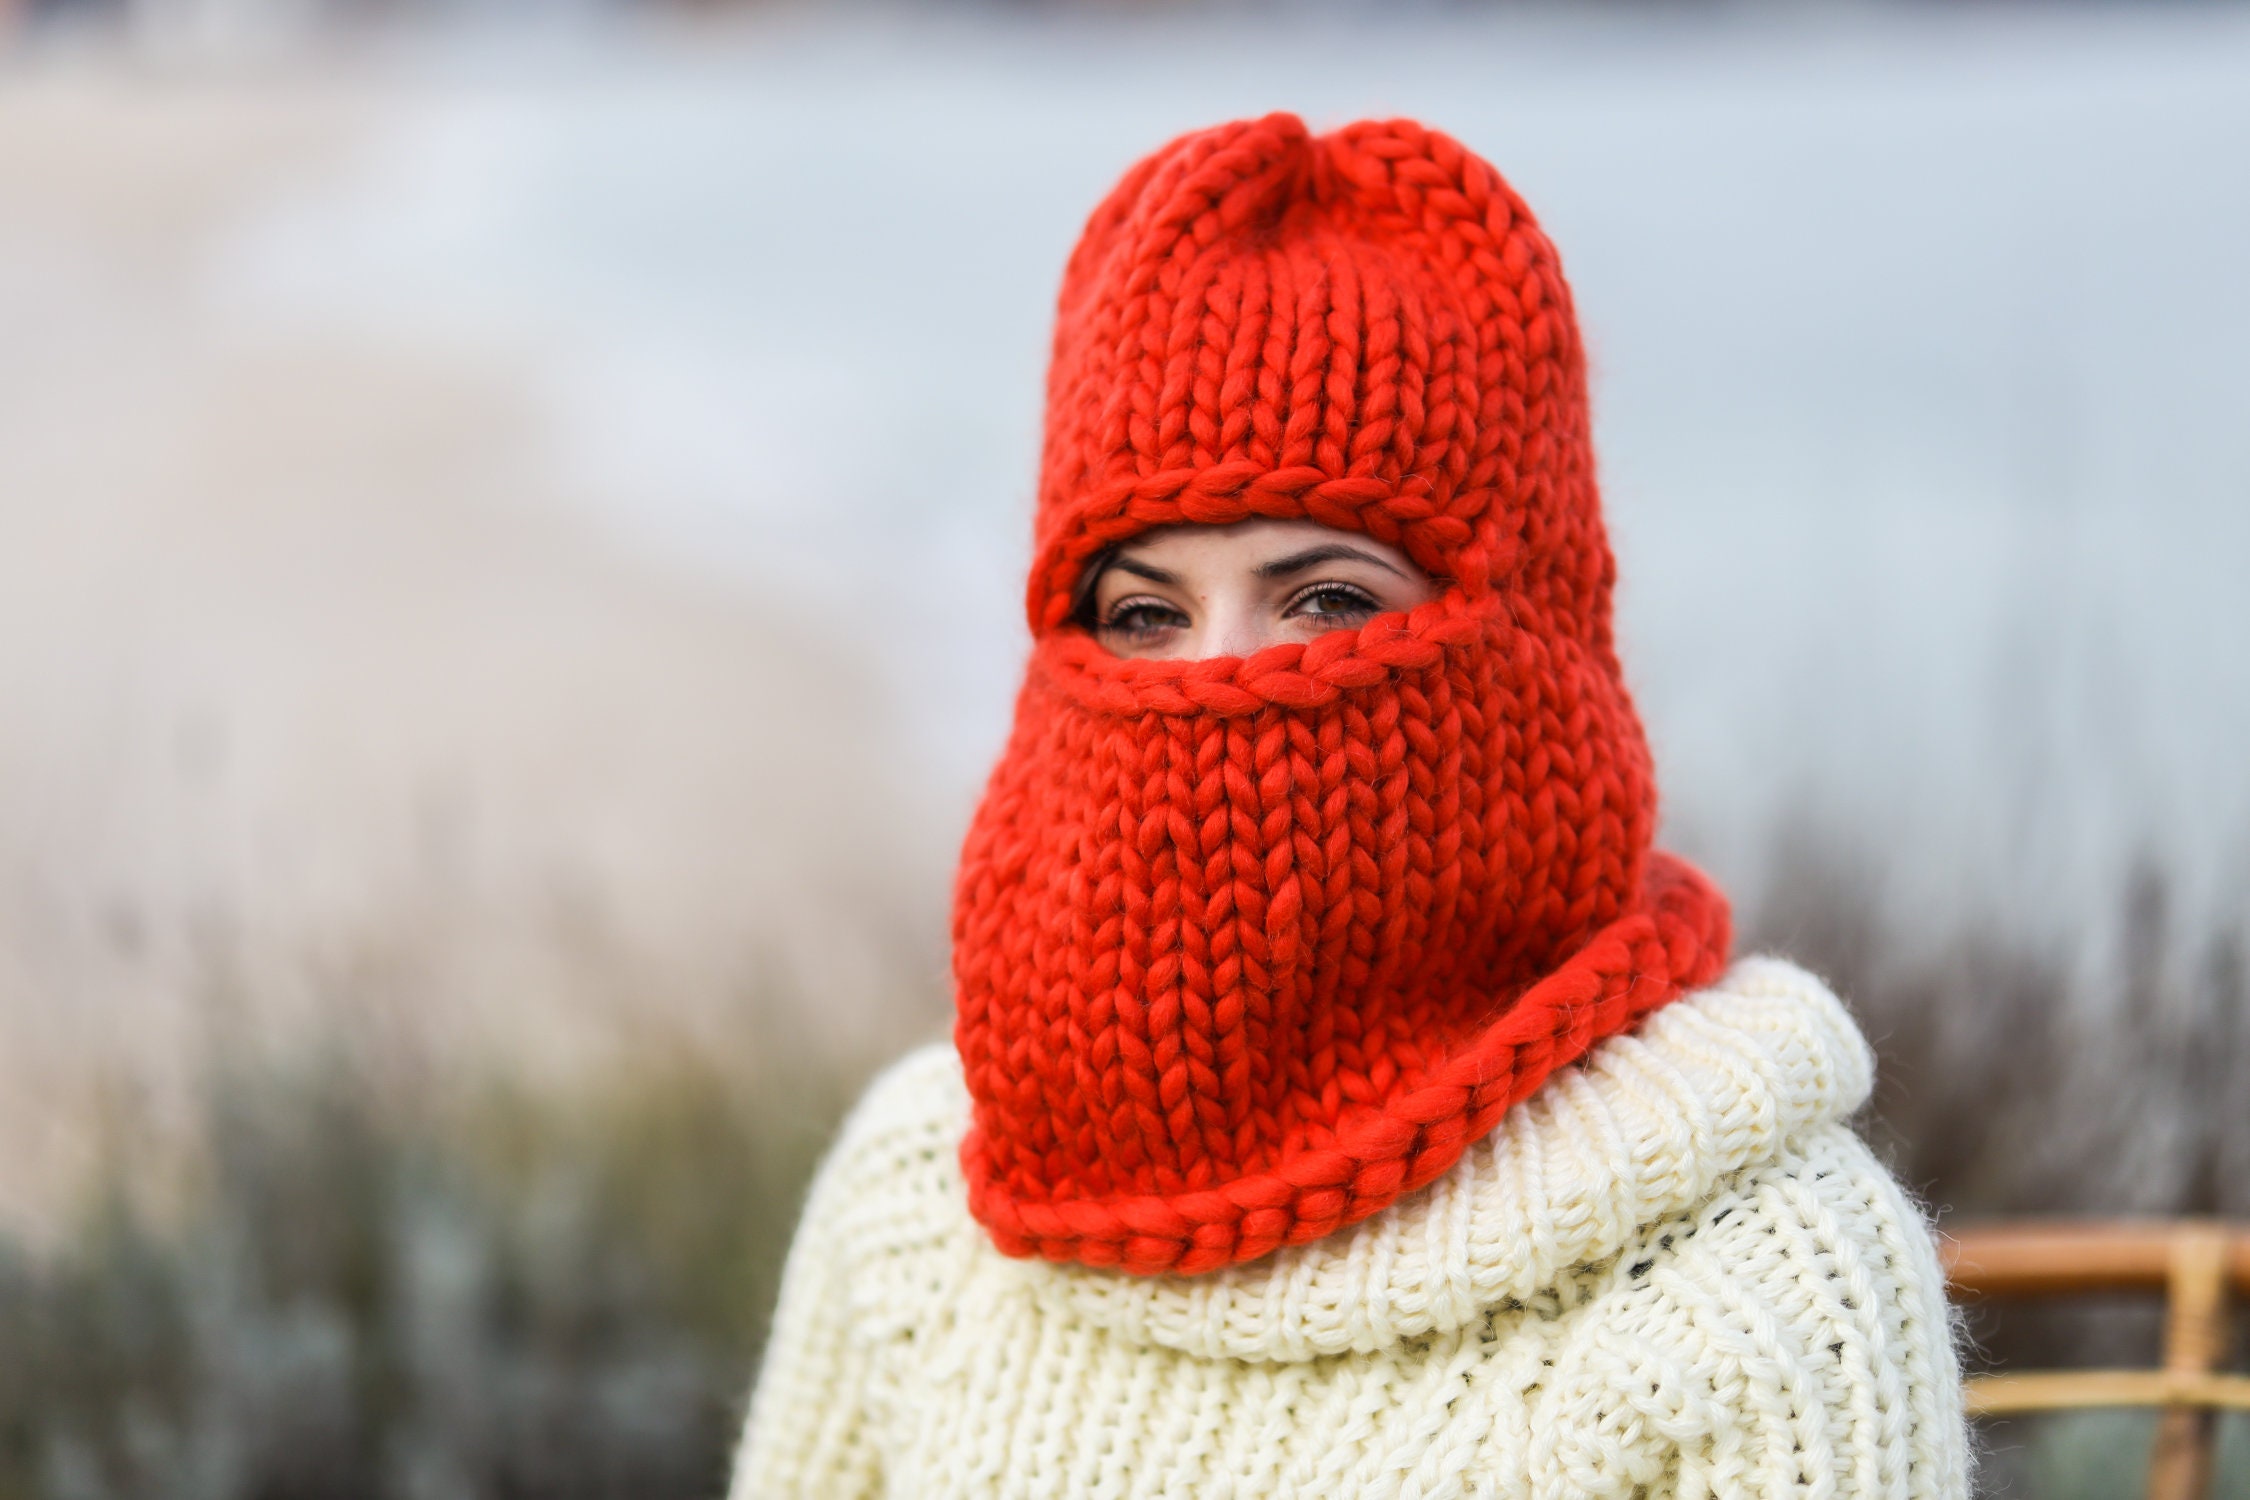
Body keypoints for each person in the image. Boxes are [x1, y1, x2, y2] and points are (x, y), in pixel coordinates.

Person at [729, 113, 1969, 1498]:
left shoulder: (1752, 1293)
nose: (1216, 682)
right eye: (1143, 611)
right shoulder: (918, 1193)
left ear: (1530, 640)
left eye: (1323, 600)